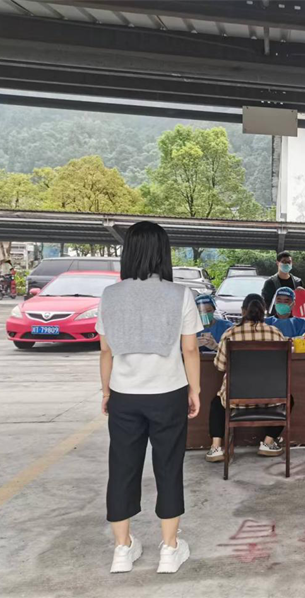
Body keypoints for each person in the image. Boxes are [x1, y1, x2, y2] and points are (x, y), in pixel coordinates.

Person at [96, 221, 202, 574]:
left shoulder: (110, 295)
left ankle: (122, 549)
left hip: (124, 394)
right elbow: (190, 350)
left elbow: (105, 351)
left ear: (129, 253)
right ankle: (169, 550)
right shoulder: (180, 294)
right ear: (162, 254)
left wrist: (107, 391)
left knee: (122, 468)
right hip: (168, 393)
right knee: (168, 467)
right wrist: (195, 389)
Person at [206, 294, 287, 463]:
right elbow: (283, 366)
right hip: (271, 399)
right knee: (289, 400)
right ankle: (268, 442)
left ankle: (216, 447)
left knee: (217, 402)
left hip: (235, 399)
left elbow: (220, 366)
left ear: (243, 311)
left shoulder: (230, 334)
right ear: (264, 312)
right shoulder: (276, 334)